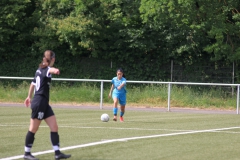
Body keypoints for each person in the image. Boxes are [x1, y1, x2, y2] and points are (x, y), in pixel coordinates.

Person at [23, 50, 71, 160]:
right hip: (39, 102)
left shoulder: (39, 69)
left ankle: (57, 153)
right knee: (33, 128)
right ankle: (27, 153)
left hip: (44, 103)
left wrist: (28, 96)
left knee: (54, 127)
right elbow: (52, 70)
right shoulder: (47, 69)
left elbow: (32, 83)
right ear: (52, 59)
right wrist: (57, 70)